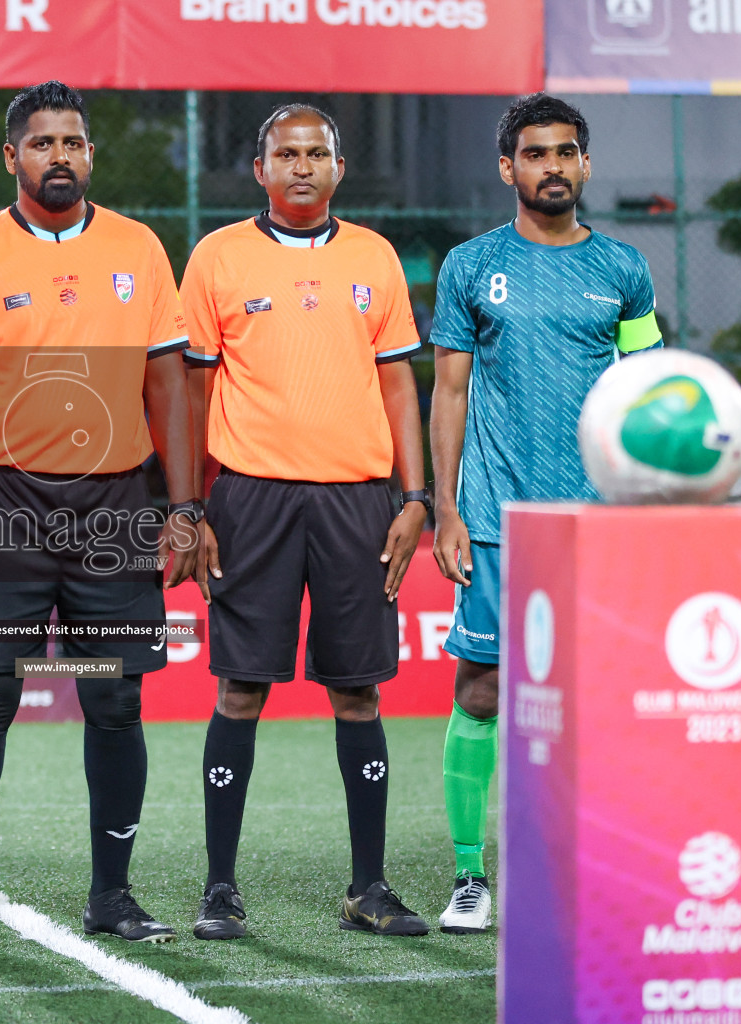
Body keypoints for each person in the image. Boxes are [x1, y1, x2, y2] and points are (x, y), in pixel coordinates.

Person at [0, 81, 197, 951]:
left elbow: (169, 387)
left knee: (115, 704)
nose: (60, 157)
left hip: (116, 506)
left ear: (90, 152)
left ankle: (112, 895)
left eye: (73, 142)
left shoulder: (139, 248)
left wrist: (186, 507)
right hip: (3, 503)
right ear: (13, 157)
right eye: (41, 143)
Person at [180, 104, 430, 940]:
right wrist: (191, 507)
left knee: (357, 691)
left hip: (358, 499)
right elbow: (188, 390)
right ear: (258, 170)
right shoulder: (217, 256)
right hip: (251, 497)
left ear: (338, 167)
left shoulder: (375, 257)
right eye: (284, 154)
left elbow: (400, 384)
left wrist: (415, 497)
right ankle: (220, 888)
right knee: (241, 686)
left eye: (315, 153)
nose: (300, 167)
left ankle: (369, 886)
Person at [429, 93, 661, 934]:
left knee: (596, 696)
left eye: (566, 153)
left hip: (596, 522)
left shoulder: (624, 271)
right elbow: (448, 391)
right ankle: (468, 877)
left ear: (585, 165)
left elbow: (646, 394)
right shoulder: (469, 266)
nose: (552, 167)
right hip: (496, 518)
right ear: (509, 168)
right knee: (483, 688)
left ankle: (585, 862)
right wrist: (444, 510)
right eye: (535, 154)